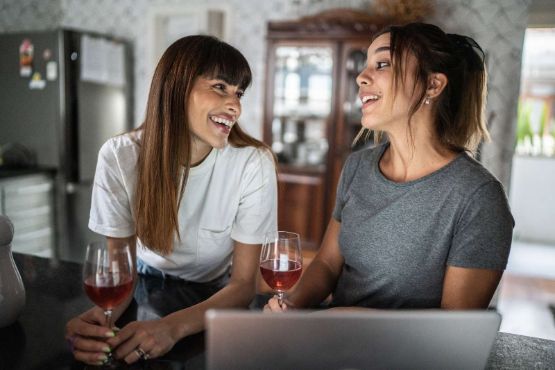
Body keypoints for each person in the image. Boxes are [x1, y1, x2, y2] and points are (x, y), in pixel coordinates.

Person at [266, 22, 514, 312]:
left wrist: (346, 319)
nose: (360, 77)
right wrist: (292, 307)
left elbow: (452, 331)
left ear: (433, 85)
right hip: (332, 342)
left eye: (382, 64)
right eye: (365, 64)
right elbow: (327, 262)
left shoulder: (479, 198)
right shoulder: (358, 166)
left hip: (408, 357)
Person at [65, 35, 277, 365]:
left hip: (216, 297)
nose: (235, 105)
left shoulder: (253, 162)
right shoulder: (120, 157)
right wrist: (100, 320)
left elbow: (244, 284)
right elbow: (124, 274)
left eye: (239, 93)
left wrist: (170, 328)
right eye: (220, 87)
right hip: (142, 285)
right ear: (176, 87)